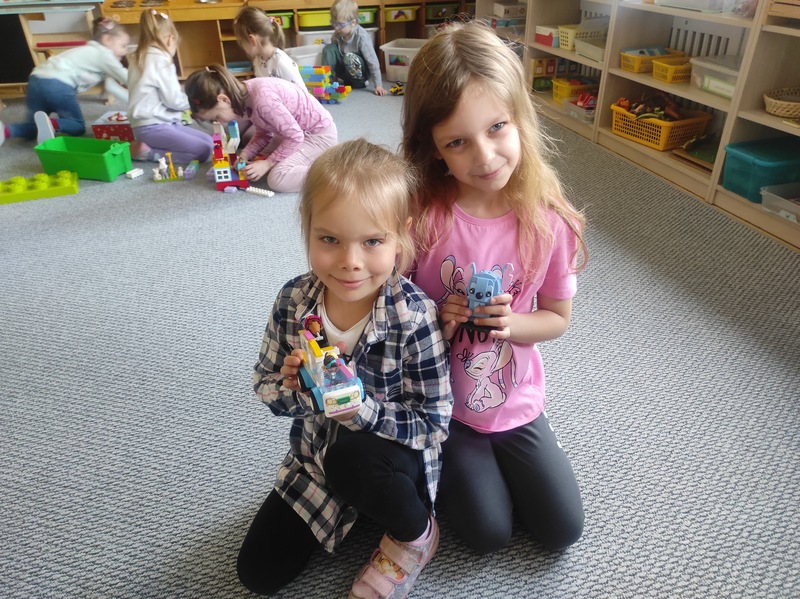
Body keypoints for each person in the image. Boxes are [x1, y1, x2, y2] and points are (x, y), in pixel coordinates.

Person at [402, 22, 589, 556]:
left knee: (562, 529)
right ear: (434, 149)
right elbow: (393, 316)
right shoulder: (422, 219)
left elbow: (556, 317)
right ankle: (435, 462)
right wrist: (439, 318)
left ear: (520, 118)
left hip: (515, 399)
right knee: (487, 532)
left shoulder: (549, 221)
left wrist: (512, 324)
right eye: (457, 142)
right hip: (444, 405)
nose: (484, 157)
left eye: (497, 127)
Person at [239, 138, 453, 598]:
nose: (350, 262)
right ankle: (353, 502)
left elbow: (434, 424)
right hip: (314, 461)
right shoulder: (294, 300)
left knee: (352, 459)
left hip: (390, 457)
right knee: (257, 574)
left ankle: (417, 534)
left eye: (372, 241)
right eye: (329, 239)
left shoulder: (414, 316)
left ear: (400, 237)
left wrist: (360, 409)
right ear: (308, 228)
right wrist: (297, 390)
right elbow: (264, 382)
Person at [184, 64, 337, 193]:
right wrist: (245, 155)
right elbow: (264, 133)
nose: (219, 122)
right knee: (256, 160)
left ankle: (334, 171)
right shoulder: (245, 94)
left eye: (216, 117)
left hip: (317, 135)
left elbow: (295, 136)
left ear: (223, 100)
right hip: (291, 133)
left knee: (277, 178)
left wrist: (268, 164)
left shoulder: (263, 100)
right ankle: (303, 161)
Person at [0, 17, 129, 147]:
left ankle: (6, 131)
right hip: (58, 85)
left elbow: (112, 87)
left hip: (35, 80)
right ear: (106, 39)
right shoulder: (104, 55)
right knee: (77, 126)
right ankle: (51, 124)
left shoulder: (86, 52)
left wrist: (135, 106)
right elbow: (127, 78)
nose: (125, 51)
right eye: (123, 46)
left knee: (33, 126)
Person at [127, 9, 213, 163]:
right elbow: (174, 101)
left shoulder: (139, 56)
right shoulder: (161, 60)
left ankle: (148, 146)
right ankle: (150, 153)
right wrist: (196, 101)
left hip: (153, 125)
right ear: (170, 40)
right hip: (154, 127)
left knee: (210, 142)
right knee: (205, 150)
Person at [322, 0, 386, 96]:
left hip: (360, 72)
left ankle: (358, 83)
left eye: (340, 25)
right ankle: (329, 81)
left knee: (349, 57)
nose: (336, 28)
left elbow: (372, 61)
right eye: (333, 23)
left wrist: (378, 85)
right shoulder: (337, 34)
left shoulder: (362, 37)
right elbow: (333, 56)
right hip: (344, 70)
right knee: (329, 49)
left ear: (353, 23)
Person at [233, 6, 305, 88]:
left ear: (252, 40)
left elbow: (301, 92)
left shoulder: (280, 62)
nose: (241, 46)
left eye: (242, 41)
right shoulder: (257, 60)